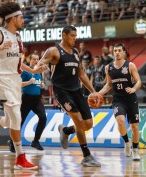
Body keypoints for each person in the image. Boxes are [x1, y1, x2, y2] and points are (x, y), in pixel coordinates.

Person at [0, 1, 47, 170]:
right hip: (0, 79)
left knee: (8, 121)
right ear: (12, 19)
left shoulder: (18, 38)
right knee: (16, 116)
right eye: (20, 17)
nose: (23, 20)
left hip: (14, 80)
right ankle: (20, 157)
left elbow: (18, 63)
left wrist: (34, 71)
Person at [36, 25, 101, 167]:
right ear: (64, 35)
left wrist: (93, 91)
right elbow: (39, 64)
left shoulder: (76, 52)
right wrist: (41, 67)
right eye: (72, 36)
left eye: (75, 36)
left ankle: (65, 130)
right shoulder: (54, 51)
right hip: (61, 91)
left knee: (88, 124)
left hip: (76, 90)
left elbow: (81, 73)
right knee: (78, 120)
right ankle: (87, 156)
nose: (75, 39)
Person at [98, 43, 142, 161]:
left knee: (134, 127)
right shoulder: (108, 68)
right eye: (115, 50)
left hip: (131, 99)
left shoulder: (130, 65)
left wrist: (134, 88)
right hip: (118, 99)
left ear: (124, 52)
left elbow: (139, 81)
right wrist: (98, 94)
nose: (117, 52)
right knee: (121, 121)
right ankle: (127, 142)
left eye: (119, 50)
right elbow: (108, 85)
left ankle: (136, 150)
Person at [8, 53, 47, 152]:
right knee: (19, 122)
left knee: (43, 117)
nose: (36, 61)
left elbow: (38, 84)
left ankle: (36, 141)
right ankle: (12, 142)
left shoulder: (39, 72)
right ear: (29, 60)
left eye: (38, 59)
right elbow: (18, 84)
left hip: (36, 99)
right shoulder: (25, 71)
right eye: (34, 59)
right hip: (26, 99)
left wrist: (42, 85)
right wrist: (29, 82)